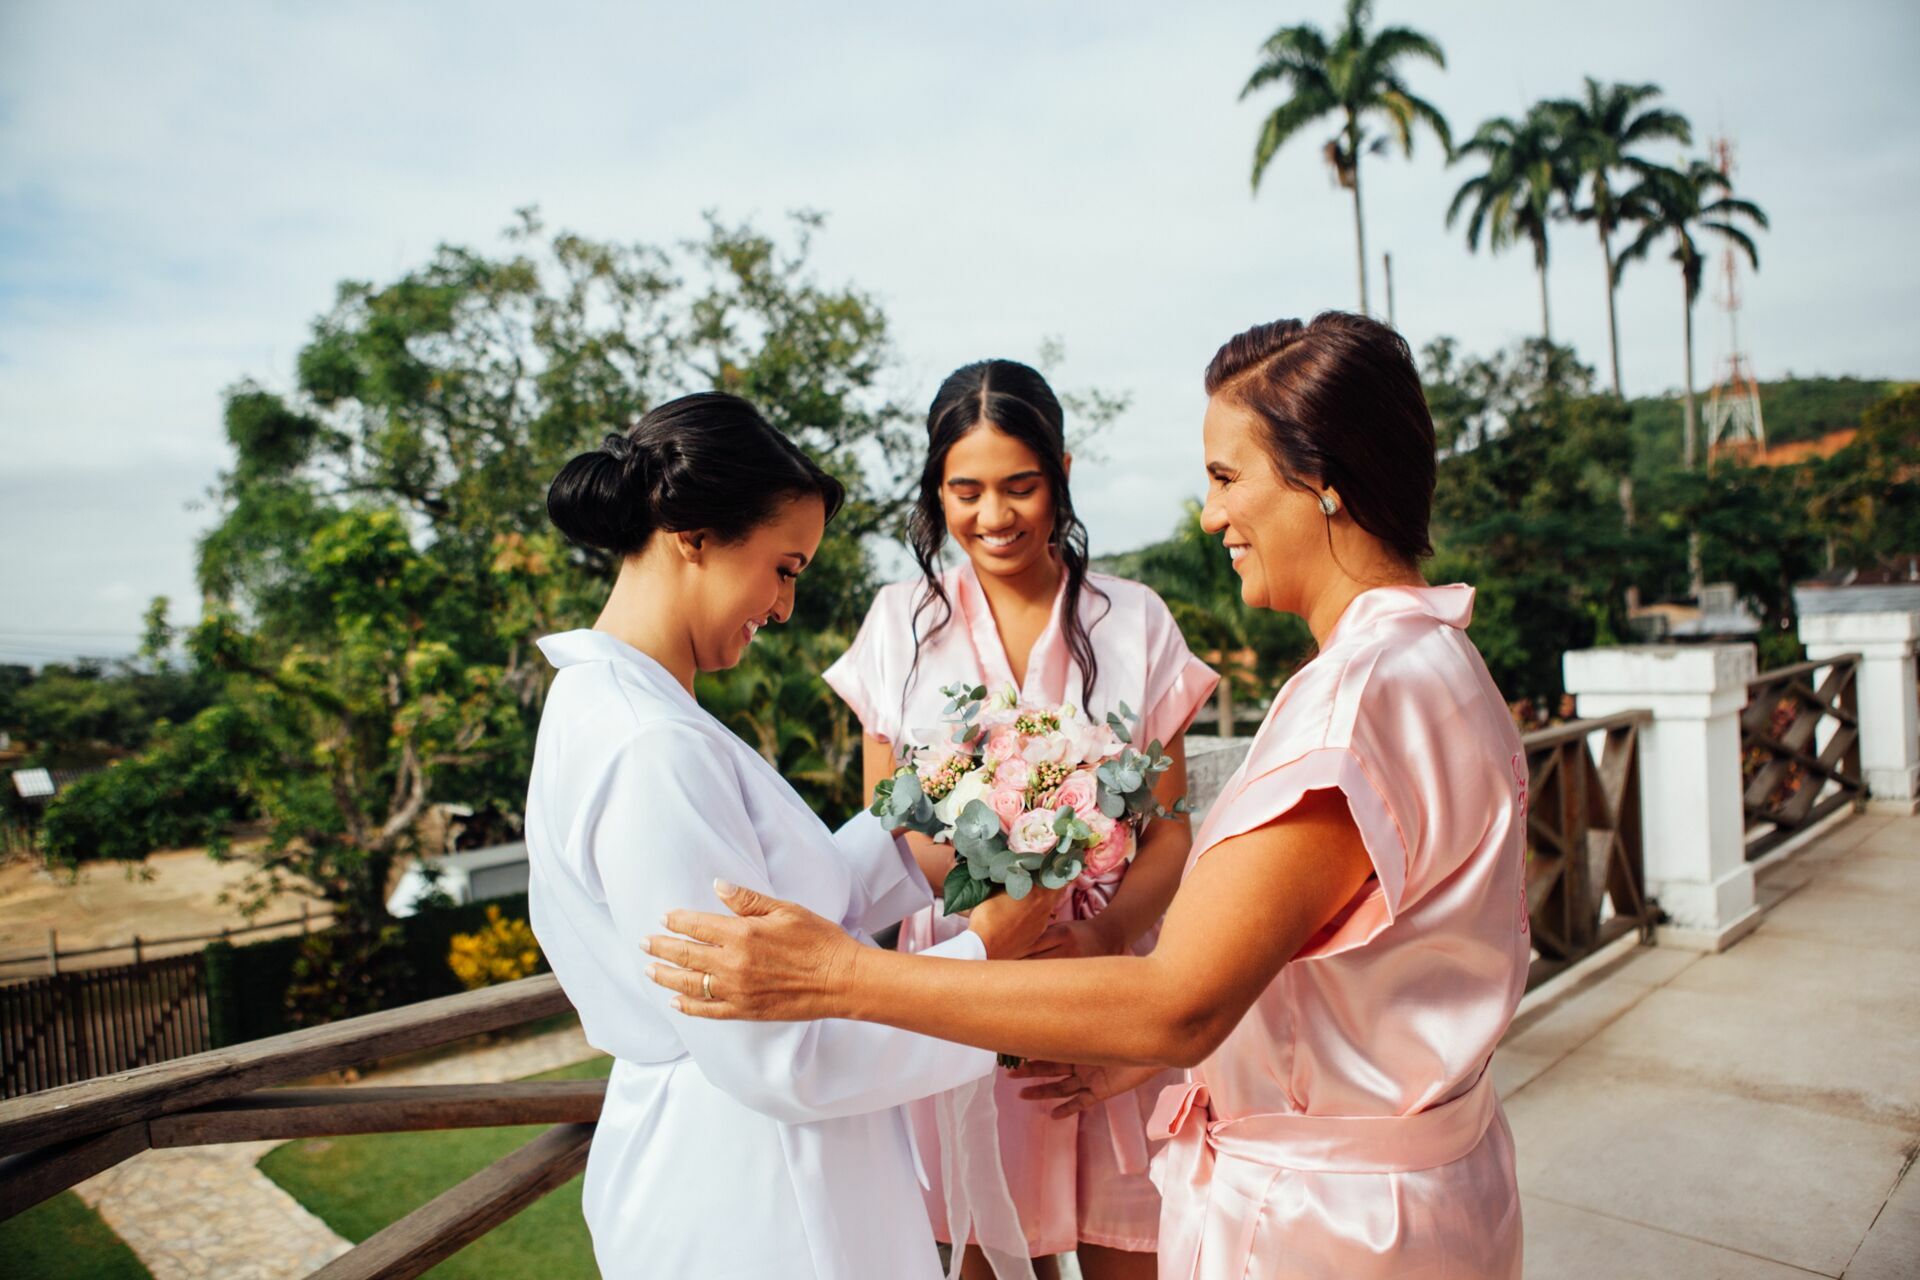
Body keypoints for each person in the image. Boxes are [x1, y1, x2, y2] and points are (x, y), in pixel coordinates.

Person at [645, 315, 1532, 1278]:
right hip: (1390, 1174)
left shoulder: (1350, 701)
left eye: (1226, 478)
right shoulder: (1433, 662)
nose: (1207, 515)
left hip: (1334, 1216)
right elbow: (1293, 967)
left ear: (1324, 479)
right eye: (965, 489)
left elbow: (1178, 998)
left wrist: (836, 978)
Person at [525, 392, 1058, 1279]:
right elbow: (774, 1053)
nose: (784, 606)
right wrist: (982, 964)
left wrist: (916, 837)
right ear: (692, 536)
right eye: (783, 567)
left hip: (775, 1164)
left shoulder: (634, 708)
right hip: (756, 1194)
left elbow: (776, 909)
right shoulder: (650, 745)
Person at [824, 359, 1217, 1280]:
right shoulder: (899, 625)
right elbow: (882, 827)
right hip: (959, 985)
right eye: (965, 490)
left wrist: (1105, 935)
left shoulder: (1136, 621)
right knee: (981, 1254)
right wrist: (995, 881)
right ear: (936, 490)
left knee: (1135, 1245)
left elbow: (1168, 831)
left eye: (1020, 486)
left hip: (1108, 981)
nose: (993, 517)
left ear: (1062, 475)